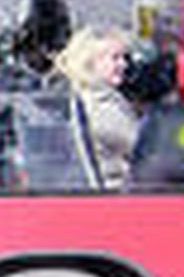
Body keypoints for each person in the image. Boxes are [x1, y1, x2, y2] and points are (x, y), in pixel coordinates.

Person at [55, 26, 138, 190]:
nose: (124, 64)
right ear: (90, 62)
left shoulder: (85, 97)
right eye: (115, 58)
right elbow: (144, 148)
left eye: (124, 57)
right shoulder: (102, 107)